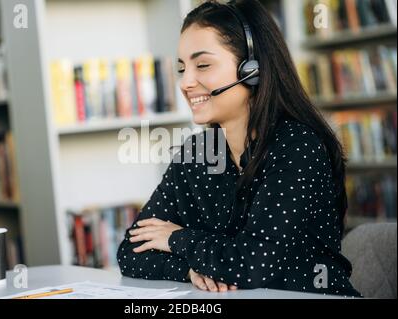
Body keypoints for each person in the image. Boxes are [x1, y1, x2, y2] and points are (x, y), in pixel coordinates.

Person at [117, 0, 361, 297]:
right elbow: (131, 251)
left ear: (252, 69)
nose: (186, 82)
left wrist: (177, 239)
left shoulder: (298, 147)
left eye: (203, 65)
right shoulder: (198, 152)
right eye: (183, 68)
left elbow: (254, 264)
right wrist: (189, 270)